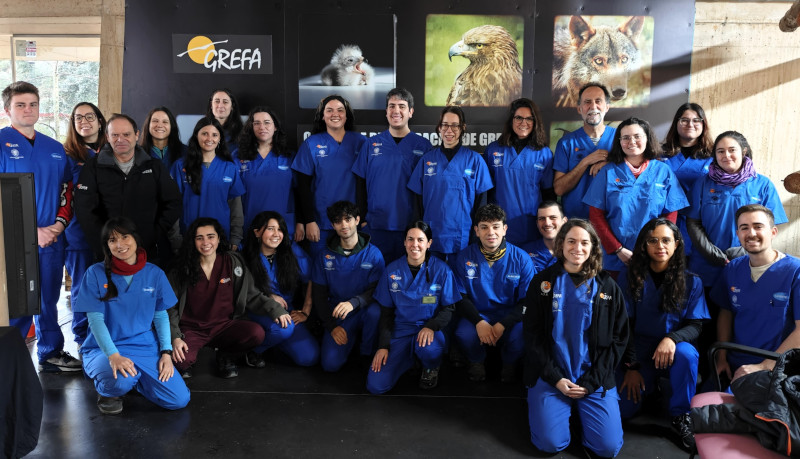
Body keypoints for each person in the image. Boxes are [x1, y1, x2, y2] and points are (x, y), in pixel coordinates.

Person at [523, 219, 628, 458]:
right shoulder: (542, 283)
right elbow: (532, 337)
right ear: (561, 244)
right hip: (551, 374)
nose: (577, 248)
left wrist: (592, 382)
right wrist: (556, 378)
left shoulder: (608, 287)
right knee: (550, 444)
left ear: (593, 247)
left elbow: (619, 339)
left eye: (584, 242)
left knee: (608, 448)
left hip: (593, 376)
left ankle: (580, 412)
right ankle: (554, 409)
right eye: (571, 241)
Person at [1, 81, 81, 372]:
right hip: (11, 241)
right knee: (17, 302)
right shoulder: (0, 143)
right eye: (20, 104)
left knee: (49, 297)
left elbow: (68, 190)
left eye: (33, 104)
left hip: (51, 240)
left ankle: (50, 352)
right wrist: (31, 231)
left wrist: (58, 226)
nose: (28, 109)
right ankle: (11, 359)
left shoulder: (55, 149)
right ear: (7, 109)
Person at [74, 217, 190, 415]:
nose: (119, 245)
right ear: (107, 245)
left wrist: (166, 353)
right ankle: (108, 391)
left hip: (144, 346)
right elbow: (95, 321)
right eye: (112, 240)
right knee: (120, 381)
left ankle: (136, 381)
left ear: (136, 239)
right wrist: (114, 356)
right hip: (105, 349)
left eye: (125, 237)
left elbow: (160, 316)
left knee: (178, 399)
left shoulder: (155, 274)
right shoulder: (95, 274)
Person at [615, 219, 709, 451]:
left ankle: (680, 414)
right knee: (624, 410)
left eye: (666, 240)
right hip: (638, 349)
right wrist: (632, 366)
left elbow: (695, 325)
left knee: (687, 354)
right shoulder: (627, 277)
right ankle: (650, 386)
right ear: (644, 245)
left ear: (676, 244)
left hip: (674, 350)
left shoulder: (691, 281)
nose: (660, 246)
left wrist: (672, 338)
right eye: (653, 240)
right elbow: (622, 326)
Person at [168, 218, 288, 378]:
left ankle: (225, 355)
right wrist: (175, 336)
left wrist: (276, 310)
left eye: (210, 236)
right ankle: (191, 358)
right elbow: (169, 307)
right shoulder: (181, 268)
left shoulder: (232, 262)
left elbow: (251, 295)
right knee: (181, 362)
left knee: (256, 333)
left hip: (224, 326)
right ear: (193, 241)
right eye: (199, 238)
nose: (206, 242)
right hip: (192, 330)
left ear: (219, 238)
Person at [583, 117, 689, 275]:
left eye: (637, 136)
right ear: (619, 142)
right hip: (615, 258)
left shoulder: (663, 171)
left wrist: (656, 245)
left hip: (654, 257)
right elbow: (596, 216)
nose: (631, 141)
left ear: (647, 138)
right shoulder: (607, 172)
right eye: (625, 137)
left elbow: (671, 213)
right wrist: (617, 249)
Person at [75, 113, 182, 267]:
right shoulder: (93, 167)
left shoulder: (154, 166)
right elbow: (85, 210)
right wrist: (106, 242)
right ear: (107, 136)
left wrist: (154, 233)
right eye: (115, 135)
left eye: (126, 134)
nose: (120, 139)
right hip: (108, 254)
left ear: (136, 135)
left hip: (148, 251)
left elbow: (173, 202)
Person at [367, 221, 461, 393]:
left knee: (427, 349)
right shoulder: (392, 270)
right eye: (410, 239)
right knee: (376, 386)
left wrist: (431, 326)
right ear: (404, 242)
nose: (415, 244)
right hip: (400, 331)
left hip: (429, 329)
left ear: (429, 243)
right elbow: (386, 313)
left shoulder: (442, 271)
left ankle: (430, 367)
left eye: (420, 239)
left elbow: (449, 309)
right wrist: (383, 346)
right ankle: (409, 359)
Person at [711, 205, 800, 385]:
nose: (751, 233)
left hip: (776, 368)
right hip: (734, 364)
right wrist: (721, 358)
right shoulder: (733, 269)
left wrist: (765, 366)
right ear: (738, 234)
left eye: (758, 226)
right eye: (744, 228)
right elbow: (726, 313)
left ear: (773, 232)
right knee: (701, 408)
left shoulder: (795, 271)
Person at [686, 131, 787, 288]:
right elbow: (693, 222)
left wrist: (743, 251)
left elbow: (771, 226)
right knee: (705, 311)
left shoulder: (763, 184)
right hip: (706, 266)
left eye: (732, 150)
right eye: (720, 151)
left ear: (744, 151)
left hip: (749, 262)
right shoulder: (703, 183)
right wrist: (711, 252)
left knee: (743, 309)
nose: (726, 155)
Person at [453, 204, 536, 382]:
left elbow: (528, 301)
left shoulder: (522, 258)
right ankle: (476, 361)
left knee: (522, 335)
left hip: (510, 315)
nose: (491, 232)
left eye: (496, 227)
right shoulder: (465, 257)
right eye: (484, 227)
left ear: (505, 229)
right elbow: (460, 297)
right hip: (478, 313)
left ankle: (509, 363)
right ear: (476, 231)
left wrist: (503, 324)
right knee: (463, 334)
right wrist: (478, 322)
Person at [352, 88, 432, 262]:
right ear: (386, 111)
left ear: (410, 112)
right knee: (375, 279)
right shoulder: (371, 145)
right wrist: (362, 219)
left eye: (402, 106)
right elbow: (359, 184)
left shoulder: (424, 147)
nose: (396, 111)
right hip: (375, 226)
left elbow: (429, 190)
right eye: (392, 106)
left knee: (405, 279)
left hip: (410, 229)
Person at [408, 106, 492, 262]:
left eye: (455, 125)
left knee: (461, 284)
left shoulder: (475, 161)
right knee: (433, 282)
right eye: (445, 125)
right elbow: (417, 205)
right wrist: (419, 236)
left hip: (463, 238)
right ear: (439, 128)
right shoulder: (426, 160)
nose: (449, 130)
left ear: (462, 128)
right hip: (431, 236)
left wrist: (477, 236)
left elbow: (482, 206)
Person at [312, 201, 385, 372]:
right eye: (338, 221)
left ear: (357, 220)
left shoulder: (374, 254)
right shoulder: (324, 256)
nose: (344, 225)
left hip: (364, 310)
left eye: (348, 219)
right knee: (330, 365)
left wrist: (354, 302)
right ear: (332, 225)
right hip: (339, 314)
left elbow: (377, 290)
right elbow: (319, 295)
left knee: (376, 312)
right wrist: (332, 326)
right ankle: (348, 343)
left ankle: (366, 353)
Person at [242, 211, 320, 367]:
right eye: (270, 229)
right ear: (257, 232)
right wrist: (269, 296)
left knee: (309, 357)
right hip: (256, 310)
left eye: (280, 229)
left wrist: (306, 309)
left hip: (286, 311)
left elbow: (313, 276)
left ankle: (274, 340)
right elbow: (242, 291)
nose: (276, 234)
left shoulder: (291, 251)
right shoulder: (244, 255)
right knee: (284, 329)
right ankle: (254, 351)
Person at [292, 95, 367, 257]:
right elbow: (302, 187)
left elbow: (369, 183)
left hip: (352, 223)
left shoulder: (361, 142)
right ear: (322, 115)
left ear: (347, 115)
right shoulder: (311, 144)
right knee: (322, 271)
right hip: (321, 223)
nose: (335, 114)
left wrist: (364, 217)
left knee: (351, 269)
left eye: (340, 110)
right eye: (329, 110)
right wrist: (309, 221)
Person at [63, 102, 107, 346]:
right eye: (78, 118)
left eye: (89, 116)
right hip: (79, 235)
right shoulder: (68, 156)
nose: (84, 121)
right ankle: (83, 337)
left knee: (106, 286)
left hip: (109, 233)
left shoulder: (112, 150)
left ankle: (105, 336)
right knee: (83, 286)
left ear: (100, 121)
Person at [484, 98, 554, 245]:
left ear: (535, 122)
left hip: (530, 227)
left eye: (529, 118)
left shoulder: (544, 154)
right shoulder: (493, 150)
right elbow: (485, 193)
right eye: (519, 118)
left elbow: (548, 194)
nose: (524, 123)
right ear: (511, 120)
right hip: (498, 228)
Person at [170, 116, 245, 248]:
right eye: (204, 133)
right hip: (189, 237)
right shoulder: (180, 166)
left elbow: (236, 208)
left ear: (220, 139)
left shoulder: (229, 168)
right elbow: (172, 205)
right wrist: (176, 239)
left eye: (214, 135)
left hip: (221, 238)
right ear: (196, 136)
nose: (209, 139)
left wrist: (235, 238)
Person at [233, 106, 300, 239]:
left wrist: (301, 223)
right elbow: (233, 198)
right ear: (251, 128)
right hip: (250, 225)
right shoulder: (238, 156)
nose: (261, 127)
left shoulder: (290, 157)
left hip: (283, 227)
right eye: (256, 123)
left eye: (267, 122)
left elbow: (300, 194)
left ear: (275, 127)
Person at [552, 84, 615, 219]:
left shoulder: (621, 139)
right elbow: (559, 189)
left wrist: (611, 162)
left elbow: (636, 171)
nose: (593, 107)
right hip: (576, 223)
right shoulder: (566, 143)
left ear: (607, 107)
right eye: (587, 102)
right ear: (579, 109)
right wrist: (585, 162)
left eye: (598, 101)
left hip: (611, 221)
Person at [661, 103, 714, 257]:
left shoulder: (714, 157)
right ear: (676, 123)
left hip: (700, 224)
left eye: (696, 120)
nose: (690, 124)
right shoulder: (659, 155)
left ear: (703, 124)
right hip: (666, 220)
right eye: (684, 120)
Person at [521, 201, 568, 272]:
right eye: (542, 219)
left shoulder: (575, 250)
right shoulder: (524, 252)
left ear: (564, 221)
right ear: (537, 223)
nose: (547, 223)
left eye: (553, 217)